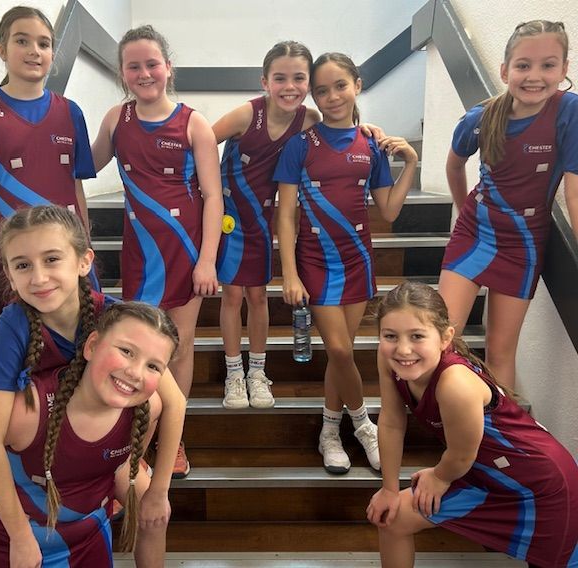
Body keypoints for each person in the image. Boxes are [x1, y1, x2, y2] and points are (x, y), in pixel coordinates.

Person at [0, 205, 186, 567]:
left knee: (154, 500)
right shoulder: (16, 324)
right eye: (23, 265)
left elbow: (174, 401)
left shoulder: (114, 318)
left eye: (51, 259)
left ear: (84, 262)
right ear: (9, 274)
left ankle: (115, 472)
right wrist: (20, 537)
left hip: (82, 436)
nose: (39, 278)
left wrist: (158, 490)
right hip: (20, 436)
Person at [274, 52, 418, 474]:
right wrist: (289, 273)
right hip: (315, 263)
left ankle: (329, 432)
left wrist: (410, 162)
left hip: (358, 261)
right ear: (314, 97)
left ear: (357, 85)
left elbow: (389, 210)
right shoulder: (300, 146)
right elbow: (286, 214)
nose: (333, 96)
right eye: (322, 90)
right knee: (338, 349)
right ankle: (363, 424)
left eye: (340, 86)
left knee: (343, 356)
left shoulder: (371, 145)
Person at [367, 281, 578, 568]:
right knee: (393, 518)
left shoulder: (455, 383)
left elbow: (461, 455)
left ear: (445, 338)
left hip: (540, 485)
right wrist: (390, 489)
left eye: (417, 336)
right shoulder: (389, 359)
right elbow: (392, 422)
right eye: (390, 335)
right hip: (482, 473)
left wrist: (440, 476)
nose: (403, 349)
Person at [92, 24, 223, 478]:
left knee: (179, 348)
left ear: (168, 67)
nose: (144, 73)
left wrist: (207, 260)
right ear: (122, 73)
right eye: (134, 66)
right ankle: (133, 430)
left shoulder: (194, 124)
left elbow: (213, 196)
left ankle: (172, 437)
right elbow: (85, 163)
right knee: (138, 347)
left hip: (186, 253)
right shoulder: (116, 120)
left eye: (152, 64)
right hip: (140, 255)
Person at [439, 20, 578, 390]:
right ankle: (451, 419)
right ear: (505, 71)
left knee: (500, 352)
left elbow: (575, 194)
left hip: (524, 244)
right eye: (523, 65)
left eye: (548, 65)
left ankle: (498, 427)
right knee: (441, 340)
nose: (535, 76)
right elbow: (454, 165)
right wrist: (462, 211)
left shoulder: (569, 111)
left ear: (564, 69)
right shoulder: (480, 118)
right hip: (474, 234)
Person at [0, 6, 99, 323]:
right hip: (20, 267)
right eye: (22, 41)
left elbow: (75, 188)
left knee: (86, 343)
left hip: (69, 259)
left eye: (43, 43)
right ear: (2, 50)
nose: (34, 51)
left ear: (52, 53)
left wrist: (86, 248)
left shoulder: (71, 112)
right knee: (25, 348)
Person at [212, 41, 320, 410]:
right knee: (232, 297)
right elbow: (201, 141)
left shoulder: (309, 119)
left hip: (264, 220)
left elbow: (342, 127)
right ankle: (234, 373)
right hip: (230, 220)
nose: (290, 86)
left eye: (299, 78)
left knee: (258, 297)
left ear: (309, 82)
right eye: (280, 78)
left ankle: (257, 372)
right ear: (265, 81)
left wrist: (366, 128)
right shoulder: (246, 115)